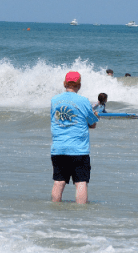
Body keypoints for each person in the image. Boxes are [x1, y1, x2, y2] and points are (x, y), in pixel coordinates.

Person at [50, 71, 98, 204]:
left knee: (59, 182)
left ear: (65, 83)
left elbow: (56, 120)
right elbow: (92, 124)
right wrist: (95, 115)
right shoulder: (83, 101)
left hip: (58, 148)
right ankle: (80, 214)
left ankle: (54, 209)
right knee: (80, 182)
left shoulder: (54, 100)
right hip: (78, 149)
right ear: (79, 85)